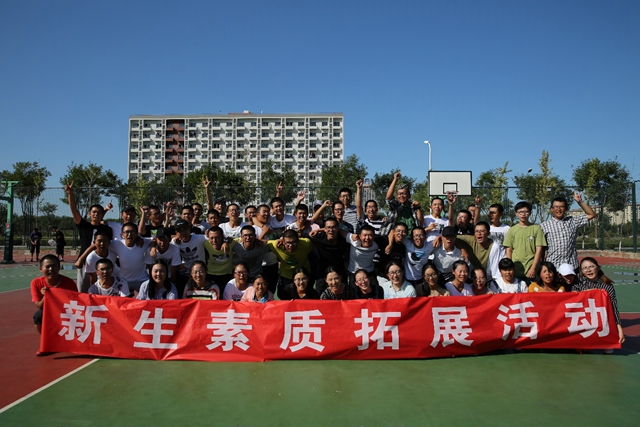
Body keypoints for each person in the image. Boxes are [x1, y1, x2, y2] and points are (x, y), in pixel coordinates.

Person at [65, 180, 111, 292]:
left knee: (101, 290)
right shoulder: (84, 226)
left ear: (102, 215)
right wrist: (70, 194)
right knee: (82, 290)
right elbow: (74, 209)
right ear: (89, 213)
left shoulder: (107, 229)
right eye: (94, 212)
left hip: (101, 263)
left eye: (99, 212)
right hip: (84, 262)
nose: (96, 214)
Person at [573, 257, 625, 344]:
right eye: (585, 268)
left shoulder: (607, 285)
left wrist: (619, 328)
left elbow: (613, 307)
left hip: (600, 318)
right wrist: (586, 293)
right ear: (581, 271)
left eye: (591, 266)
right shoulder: (578, 282)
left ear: (597, 267)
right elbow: (571, 298)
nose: (588, 270)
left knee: (608, 346)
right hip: (582, 318)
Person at [540, 193, 596, 270]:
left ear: (566, 208)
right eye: (556, 207)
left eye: (562, 207)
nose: (559, 209)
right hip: (553, 266)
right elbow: (541, 248)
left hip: (572, 265)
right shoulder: (544, 226)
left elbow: (592, 214)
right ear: (551, 209)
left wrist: (580, 202)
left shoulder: (573, 221)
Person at [31, 255, 77, 336]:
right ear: (41, 269)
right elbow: (39, 306)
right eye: (47, 267)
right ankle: (45, 338)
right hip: (49, 311)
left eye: (54, 266)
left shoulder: (69, 283)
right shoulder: (36, 283)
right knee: (38, 315)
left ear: (59, 267)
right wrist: (46, 296)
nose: (51, 269)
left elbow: (76, 304)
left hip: (66, 311)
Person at [503, 201, 547, 281]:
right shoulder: (512, 230)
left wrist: (533, 268)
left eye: (526, 212)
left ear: (530, 213)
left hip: (531, 268)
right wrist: (510, 268)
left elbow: (539, 250)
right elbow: (509, 250)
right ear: (516, 214)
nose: (523, 214)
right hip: (516, 269)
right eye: (520, 212)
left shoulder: (536, 229)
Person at [267, 229, 314, 299]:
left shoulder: (306, 244)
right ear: (283, 242)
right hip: (286, 276)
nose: (290, 245)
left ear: (298, 240)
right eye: (288, 243)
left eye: (293, 242)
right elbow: (262, 242)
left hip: (302, 276)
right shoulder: (276, 245)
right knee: (282, 295)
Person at [109, 222, 152, 293]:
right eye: (127, 232)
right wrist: (86, 254)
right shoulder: (117, 244)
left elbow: (155, 240)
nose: (129, 234)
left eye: (132, 232)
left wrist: (153, 247)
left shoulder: (142, 242)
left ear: (136, 233)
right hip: (123, 280)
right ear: (122, 235)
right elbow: (102, 244)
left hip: (142, 279)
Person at [171, 218, 207, 295]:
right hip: (185, 274)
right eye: (180, 231)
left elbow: (213, 237)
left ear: (189, 229)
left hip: (200, 272)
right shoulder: (174, 242)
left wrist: (225, 242)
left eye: (185, 229)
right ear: (176, 233)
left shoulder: (199, 238)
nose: (183, 233)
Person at [380, 171, 423, 235]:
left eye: (404, 193)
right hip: (396, 237)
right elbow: (388, 197)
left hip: (410, 237)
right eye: (399, 194)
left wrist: (418, 208)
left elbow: (420, 222)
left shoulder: (413, 206)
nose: (401, 196)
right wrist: (395, 179)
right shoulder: (396, 205)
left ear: (409, 195)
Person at [204, 226, 235, 295]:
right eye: (211, 238)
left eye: (217, 237)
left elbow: (242, 239)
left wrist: (226, 241)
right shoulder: (206, 244)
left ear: (222, 237)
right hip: (210, 274)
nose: (214, 240)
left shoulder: (231, 243)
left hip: (227, 274)